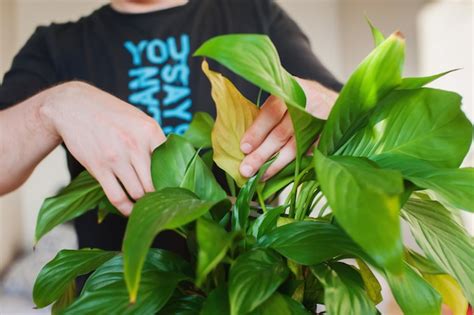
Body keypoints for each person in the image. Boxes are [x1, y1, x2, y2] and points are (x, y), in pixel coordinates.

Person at [0, 0, 341, 256]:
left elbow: (346, 113)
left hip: (245, 290)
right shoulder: (56, 45)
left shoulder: (254, 16)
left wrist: (322, 104)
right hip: (121, 301)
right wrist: (54, 106)